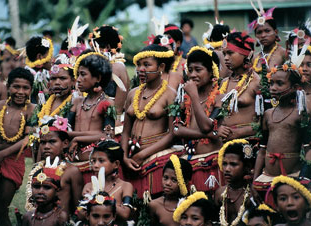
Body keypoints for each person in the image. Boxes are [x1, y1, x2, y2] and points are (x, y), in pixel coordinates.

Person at [121, 44, 178, 198]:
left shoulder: (170, 95)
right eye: (139, 65)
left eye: (147, 65)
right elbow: (125, 131)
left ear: (161, 67)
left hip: (156, 158)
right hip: (131, 157)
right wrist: (124, 157)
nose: (140, 69)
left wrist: (143, 155)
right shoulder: (133, 93)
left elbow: (172, 134)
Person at [0, 67, 35, 225]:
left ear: (31, 89)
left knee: (1, 209)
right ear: (8, 87)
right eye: (16, 86)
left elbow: (26, 140)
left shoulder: (31, 110)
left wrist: (2, 155)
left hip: (13, 161)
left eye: (25, 88)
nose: (20, 91)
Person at [253, 59, 311, 192]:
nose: (273, 88)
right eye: (271, 83)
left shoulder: (300, 114)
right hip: (267, 178)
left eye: (279, 84)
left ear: (295, 87)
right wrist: (255, 179)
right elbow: (262, 151)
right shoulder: (268, 114)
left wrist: (305, 178)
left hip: (292, 177)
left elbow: (309, 150)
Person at [172, 46, 223, 191]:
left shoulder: (219, 98)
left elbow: (207, 126)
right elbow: (176, 130)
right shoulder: (183, 99)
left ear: (211, 71)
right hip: (189, 162)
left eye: (198, 70)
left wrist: (194, 96)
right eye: (190, 70)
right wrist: (209, 134)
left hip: (212, 163)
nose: (193, 74)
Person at [68, 50, 115, 183]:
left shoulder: (107, 103)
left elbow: (107, 136)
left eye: (83, 75)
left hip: (93, 165)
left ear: (98, 78)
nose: (78, 79)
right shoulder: (76, 103)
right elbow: (64, 130)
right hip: (72, 163)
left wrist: (77, 138)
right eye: (78, 75)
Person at [26, 117, 84, 216]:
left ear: (65, 143)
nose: (46, 146)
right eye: (43, 143)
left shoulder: (71, 171)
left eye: (52, 142)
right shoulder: (37, 168)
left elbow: (78, 209)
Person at [219, 32, 261, 142]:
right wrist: (218, 128)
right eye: (224, 54)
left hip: (248, 143)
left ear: (246, 54)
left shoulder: (257, 82)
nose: (226, 58)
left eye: (230, 53)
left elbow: (268, 121)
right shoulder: (224, 82)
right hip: (222, 142)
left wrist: (240, 132)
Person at [82, 140, 133, 222]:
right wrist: (88, 199)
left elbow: (125, 214)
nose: (95, 165)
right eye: (93, 161)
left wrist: (103, 198)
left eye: (101, 161)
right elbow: (80, 215)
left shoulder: (125, 186)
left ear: (116, 164)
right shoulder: (88, 186)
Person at [89, 25, 130, 128]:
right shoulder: (99, 65)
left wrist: (115, 124)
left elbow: (118, 109)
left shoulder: (117, 67)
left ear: (106, 47)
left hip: (111, 121)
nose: (91, 51)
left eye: (93, 47)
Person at [215, 139, 256, 226]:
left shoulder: (252, 194)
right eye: (225, 164)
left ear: (247, 167)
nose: (227, 169)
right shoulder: (219, 193)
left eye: (233, 164)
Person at [149, 154, 192, 226]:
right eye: (165, 178)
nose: (168, 183)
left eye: (174, 180)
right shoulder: (154, 205)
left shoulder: (191, 205)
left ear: (186, 182)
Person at [22, 159, 68, 226]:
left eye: (47, 187)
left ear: (57, 191)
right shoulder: (27, 217)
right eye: (37, 187)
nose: (40, 191)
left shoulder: (60, 218)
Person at [34, 55, 76, 127]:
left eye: (62, 78)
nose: (57, 82)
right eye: (53, 78)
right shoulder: (44, 101)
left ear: (73, 81)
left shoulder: (76, 102)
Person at [249, 5, 286, 73]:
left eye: (267, 31)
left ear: (275, 32)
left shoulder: (284, 53)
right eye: (259, 32)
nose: (263, 35)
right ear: (255, 36)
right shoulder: (254, 57)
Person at [25, 36, 53, 104]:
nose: (52, 59)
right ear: (40, 57)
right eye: (50, 54)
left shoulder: (45, 73)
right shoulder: (28, 77)